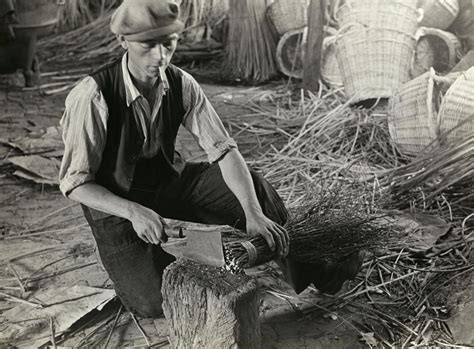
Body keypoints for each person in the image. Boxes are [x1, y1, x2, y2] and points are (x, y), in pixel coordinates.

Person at [59, 0, 290, 318]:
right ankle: (176, 258)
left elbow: (224, 149)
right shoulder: (94, 95)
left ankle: (305, 260)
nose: (160, 57)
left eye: (168, 44)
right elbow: (75, 184)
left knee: (257, 190)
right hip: (114, 200)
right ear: (122, 41)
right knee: (154, 302)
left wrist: (252, 213)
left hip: (166, 180)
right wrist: (134, 212)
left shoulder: (181, 83)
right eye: (147, 45)